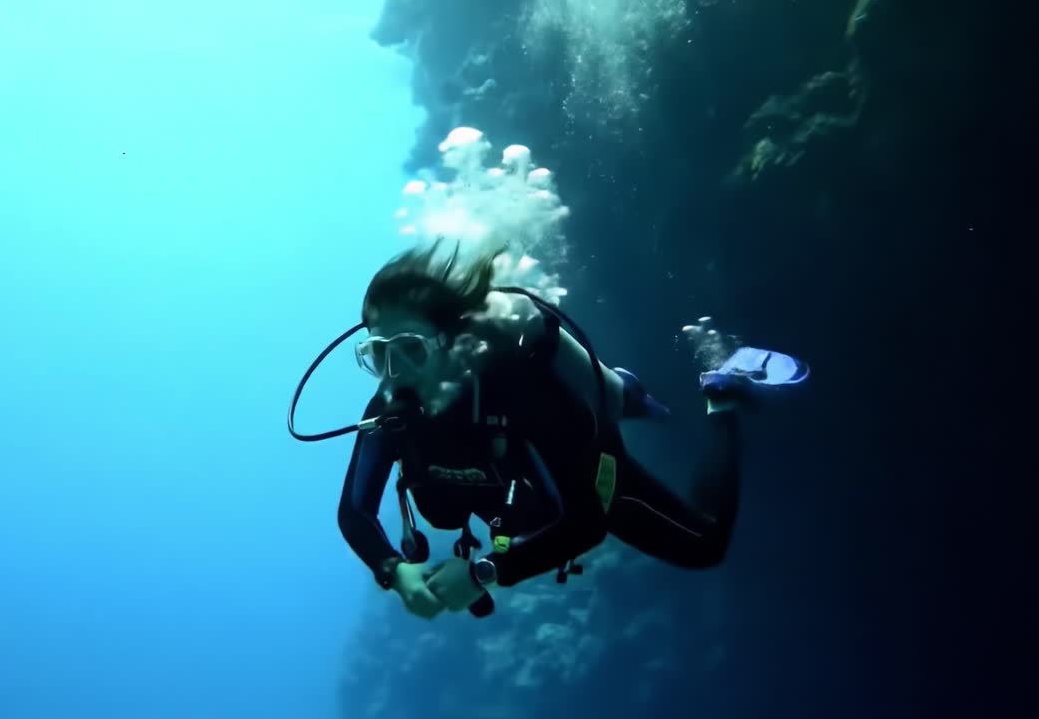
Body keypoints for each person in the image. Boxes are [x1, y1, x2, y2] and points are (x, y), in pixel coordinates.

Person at [325, 241, 808, 619]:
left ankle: (720, 396)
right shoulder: (389, 412)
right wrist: (393, 571)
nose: (394, 374)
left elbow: (588, 521)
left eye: (409, 349)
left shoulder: (515, 389)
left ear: (450, 343)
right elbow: (354, 511)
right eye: (378, 355)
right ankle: (630, 391)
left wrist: (482, 573)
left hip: (585, 465)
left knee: (706, 546)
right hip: (519, 506)